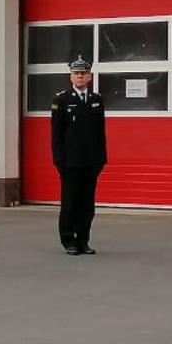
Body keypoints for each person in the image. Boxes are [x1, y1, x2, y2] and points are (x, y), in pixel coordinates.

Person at [51, 56, 107, 256]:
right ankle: (69, 241)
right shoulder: (62, 100)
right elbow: (56, 135)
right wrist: (59, 160)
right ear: (71, 77)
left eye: (83, 74)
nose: (80, 77)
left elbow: (100, 133)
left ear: (89, 77)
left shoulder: (96, 100)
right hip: (70, 163)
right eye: (76, 74)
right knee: (70, 203)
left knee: (87, 205)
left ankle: (83, 241)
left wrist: (101, 160)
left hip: (91, 162)